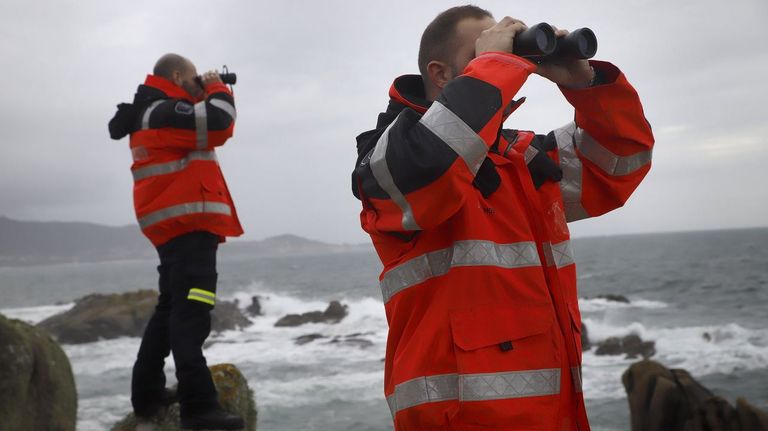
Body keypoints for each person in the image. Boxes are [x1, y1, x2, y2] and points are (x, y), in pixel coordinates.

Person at [351, 5, 654, 431]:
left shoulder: (520, 159)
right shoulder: (389, 158)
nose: (509, 56)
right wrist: (495, 65)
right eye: (486, 48)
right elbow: (431, 167)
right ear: (440, 74)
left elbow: (619, 164)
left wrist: (587, 85)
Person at [109, 53, 244, 430]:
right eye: (191, 78)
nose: (195, 85)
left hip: (175, 225)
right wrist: (215, 85)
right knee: (192, 309)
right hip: (187, 224)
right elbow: (219, 123)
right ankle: (199, 407)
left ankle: (148, 393)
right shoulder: (163, 111)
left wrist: (198, 93)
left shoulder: (153, 111)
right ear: (177, 74)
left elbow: (199, 125)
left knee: (171, 307)